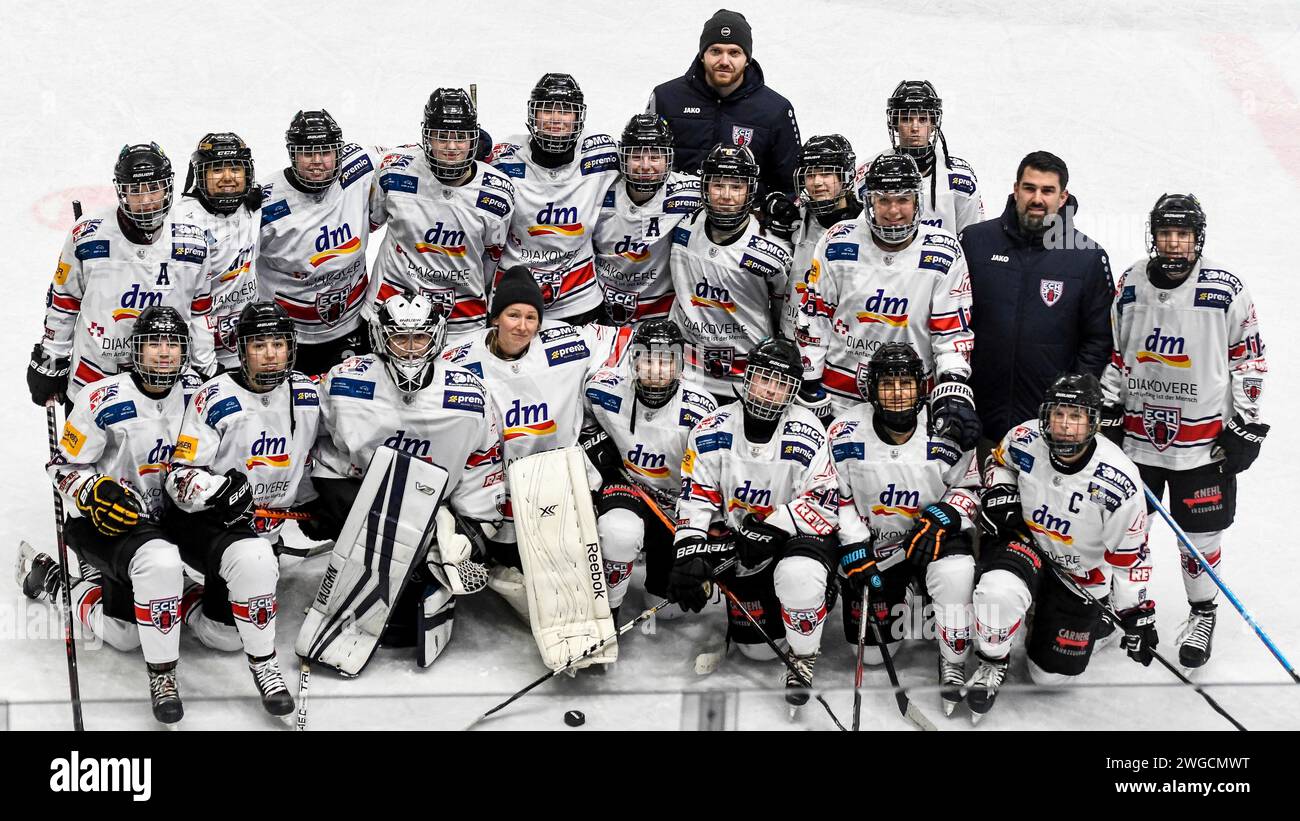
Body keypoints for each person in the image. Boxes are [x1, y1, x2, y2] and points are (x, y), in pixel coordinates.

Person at [1101, 193, 1268, 668]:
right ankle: (1122, 606)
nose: (1174, 243)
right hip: (1138, 438)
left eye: (1183, 234)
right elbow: (1118, 351)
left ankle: (1202, 612)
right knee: (1124, 529)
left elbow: (1250, 359)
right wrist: (1110, 408)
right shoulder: (1131, 281)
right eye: (1165, 233)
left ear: (1198, 238)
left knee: (1200, 537)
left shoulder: (1225, 287)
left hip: (1204, 444)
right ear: (1152, 236)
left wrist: (1246, 424)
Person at [21, 307, 203, 724]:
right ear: (135, 351)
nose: (164, 354)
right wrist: (91, 489)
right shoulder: (102, 397)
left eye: (174, 345)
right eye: (154, 344)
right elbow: (60, 467)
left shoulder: (199, 395)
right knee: (124, 636)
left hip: (174, 522)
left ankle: (175, 591)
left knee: (218, 628)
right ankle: (56, 580)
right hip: (111, 526)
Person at [309, 291, 506, 660]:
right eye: (400, 337)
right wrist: (311, 497)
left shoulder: (469, 392)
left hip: (429, 503)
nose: (411, 349)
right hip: (357, 489)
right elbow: (315, 437)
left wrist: (473, 527)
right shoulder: (344, 382)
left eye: (421, 338)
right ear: (382, 339)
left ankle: (422, 575)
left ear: (437, 338)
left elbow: (485, 461)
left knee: (425, 568)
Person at [163, 301, 322, 715]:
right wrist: (216, 492)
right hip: (208, 527)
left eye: (278, 344)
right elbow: (178, 477)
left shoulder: (306, 394)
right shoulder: (213, 397)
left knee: (225, 633)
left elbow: (316, 456)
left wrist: (321, 501)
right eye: (259, 345)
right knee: (230, 623)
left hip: (267, 528)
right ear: (241, 349)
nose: (270, 354)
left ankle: (199, 595)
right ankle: (260, 661)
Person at [970, 374, 1153, 723]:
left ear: (1093, 422)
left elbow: (1132, 556)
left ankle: (1097, 621)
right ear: (1046, 415)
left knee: (1050, 676)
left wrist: (1135, 612)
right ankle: (993, 659)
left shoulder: (1119, 481)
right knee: (997, 592)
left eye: (1076, 416)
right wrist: (1000, 491)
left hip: (1079, 575)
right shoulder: (1024, 439)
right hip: (1027, 547)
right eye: (1059, 414)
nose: (1066, 426)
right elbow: (998, 462)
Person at [666, 337, 839, 707]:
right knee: (756, 651)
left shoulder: (808, 432)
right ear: (748, 378)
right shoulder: (711, 429)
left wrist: (775, 525)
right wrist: (688, 554)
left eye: (781, 384)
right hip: (742, 546)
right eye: (763, 378)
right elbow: (696, 499)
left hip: (794, 541)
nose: (770, 390)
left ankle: (804, 654)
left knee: (799, 577)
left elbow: (824, 505)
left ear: (793, 391)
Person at [828, 343, 980, 716]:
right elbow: (836, 497)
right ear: (871, 389)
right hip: (876, 552)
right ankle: (906, 593)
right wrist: (853, 545)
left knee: (956, 570)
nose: (898, 394)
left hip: (930, 540)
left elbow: (971, 488)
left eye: (906, 383)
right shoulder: (844, 433)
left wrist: (946, 513)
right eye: (888, 384)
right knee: (875, 657)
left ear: (922, 386)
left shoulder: (947, 429)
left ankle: (953, 660)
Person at [795, 152, 978, 448]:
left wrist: (952, 386)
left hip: (908, 400)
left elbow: (951, 333)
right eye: (884, 200)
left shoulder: (945, 252)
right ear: (869, 201)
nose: (894, 211)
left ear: (917, 201)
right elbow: (816, 316)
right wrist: (810, 381)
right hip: (841, 394)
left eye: (903, 199)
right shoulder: (837, 241)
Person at [444, 267, 619, 570]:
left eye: (531, 318)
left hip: (554, 489)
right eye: (513, 315)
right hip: (488, 494)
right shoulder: (457, 358)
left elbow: (629, 344)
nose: (522, 327)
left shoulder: (567, 343)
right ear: (495, 317)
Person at [27, 143, 216, 405]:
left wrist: (205, 368)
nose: (146, 199)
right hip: (93, 379)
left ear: (167, 188)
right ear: (121, 191)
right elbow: (64, 301)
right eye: (135, 190)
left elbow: (200, 312)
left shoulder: (193, 239)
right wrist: (51, 357)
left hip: (166, 386)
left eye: (153, 188)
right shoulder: (88, 235)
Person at [960, 151, 1113, 453]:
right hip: (975, 423)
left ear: (1063, 196)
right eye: (1029, 188)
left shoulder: (1087, 257)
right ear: (1015, 189)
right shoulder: (975, 242)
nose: (1037, 198)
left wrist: (1070, 402)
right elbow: (952, 319)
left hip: (1048, 432)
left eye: (1047, 190)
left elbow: (1098, 340)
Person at [581, 319, 717, 616]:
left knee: (668, 612)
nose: (656, 370)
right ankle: (608, 611)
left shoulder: (700, 408)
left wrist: (695, 543)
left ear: (680, 363)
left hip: (673, 506)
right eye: (647, 359)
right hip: (628, 487)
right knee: (619, 532)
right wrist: (593, 442)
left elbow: (709, 476)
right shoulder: (603, 387)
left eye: (666, 361)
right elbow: (581, 416)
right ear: (634, 360)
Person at [369, 89, 515, 342]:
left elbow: (492, 259)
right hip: (390, 314)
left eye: (460, 137)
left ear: (474, 139)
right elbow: (370, 222)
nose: (450, 146)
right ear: (426, 137)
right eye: (440, 136)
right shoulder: (394, 170)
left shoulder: (497, 193)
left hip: (463, 321)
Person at [489, 74, 619, 324]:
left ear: (578, 117)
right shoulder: (504, 158)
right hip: (514, 302)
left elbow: (645, 161)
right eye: (547, 109)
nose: (556, 118)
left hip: (580, 301)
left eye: (566, 110)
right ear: (533, 115)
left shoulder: (601, 154)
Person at [669, 143, 792, 402]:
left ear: (751, 190)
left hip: (747, 372)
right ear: (704, 187)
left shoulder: (772, 249)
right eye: (717, 185)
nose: (726, 195)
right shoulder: (682, 228)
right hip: (687, 369)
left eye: (736, 186)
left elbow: (784, 314)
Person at [257, 110, 377, 375]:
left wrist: (478, 150)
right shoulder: (264, 203)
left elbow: (407, 158)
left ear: (339, 152)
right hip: (287, 337)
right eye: (307, 153)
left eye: (326, 152)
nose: (317, 162)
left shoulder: (361, 166)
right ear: (292, 154)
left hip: (354, 326)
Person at [649, 8, 801, 199]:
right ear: (702, 54)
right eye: (715, 51)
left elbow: (791, 184)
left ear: (747, 59)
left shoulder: (776, 109)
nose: (724, 61)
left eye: (734, 53)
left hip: (744, 223)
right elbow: (645, 160)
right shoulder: (666, 97)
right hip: (672, 217)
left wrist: (769, 210)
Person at [592, 114, 702, 325]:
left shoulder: (689, 192)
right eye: (636, 156)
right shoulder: (600, 190)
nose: (645, 166)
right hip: (603, 310)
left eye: (654, 157)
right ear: (623, 157)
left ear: (668, 159)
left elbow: (728, 198)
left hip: (662, 315)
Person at [172, 132, 263, 372]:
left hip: (243, 346)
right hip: (196, 356)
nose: (227, 178)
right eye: (216, 170)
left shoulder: (253, 206)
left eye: (235, 169)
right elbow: (184, 304)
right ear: (200, 176)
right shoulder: (183, 223)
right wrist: (206, 366)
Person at [860, 80, 983, 235]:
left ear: (933, 125)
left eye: (923, 119)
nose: (915, 128)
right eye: (906, 119)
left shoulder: (960, 177)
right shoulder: (870, 171)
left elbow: (972, 236)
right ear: (894, 124)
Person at [777, 134, 863, 340]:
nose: (816, 182)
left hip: (842, 343)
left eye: (825, 174)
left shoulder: (864, 224)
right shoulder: (793, 218)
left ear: (846, 176)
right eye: (810, 174)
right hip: (793, 336)